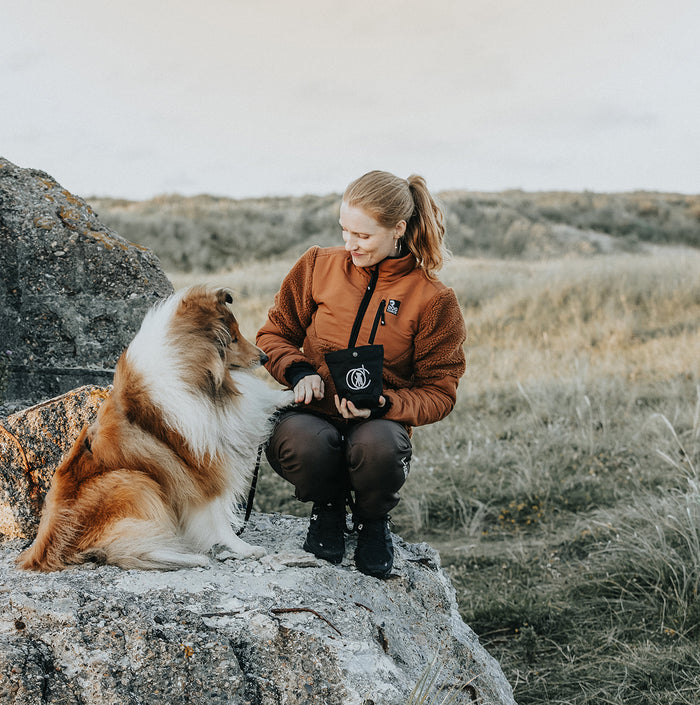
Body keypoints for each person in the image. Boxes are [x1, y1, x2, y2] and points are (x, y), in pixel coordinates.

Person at [256, 170, 466, 578]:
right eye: (344, 231)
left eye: (364, 236)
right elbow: (273, 334)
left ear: (398, 229)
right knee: (302, 442)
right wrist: (298, 371)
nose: (350, 244)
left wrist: (386, 404)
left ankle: (372, 520)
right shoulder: (317, 265)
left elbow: (440, 391)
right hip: (310, 414)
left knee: (380, 447)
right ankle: (329, 507)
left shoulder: (433, 299)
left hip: (379, 424)